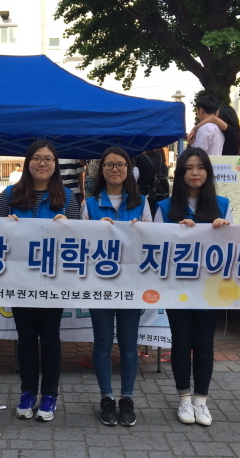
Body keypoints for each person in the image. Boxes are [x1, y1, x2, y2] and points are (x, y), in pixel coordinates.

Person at [0, 140, 80, 422]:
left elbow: (77, 239)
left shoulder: (67, 198)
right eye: (37, 158)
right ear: (27, 162)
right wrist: (6, 226)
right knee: (26, 339)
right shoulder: (9, 195)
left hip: (53, 281)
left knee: (51, 338)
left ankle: (50, 395)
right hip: (20, 280)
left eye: (48, 159)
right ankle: (28, 392)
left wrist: (67, 227)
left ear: (55, 165)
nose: (42, 163)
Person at [154, 147, 233, 427]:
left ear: (208, 172)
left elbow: (234, 247)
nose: (194, 173)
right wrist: (176, 233)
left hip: (210, 289)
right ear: (180, 173)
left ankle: (201, 401)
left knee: (204, 344)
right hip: (177, 287)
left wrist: (225, 229)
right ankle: (184, 399)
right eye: (188, 168)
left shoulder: (222, 205)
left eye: (200, 167)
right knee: (181, 341)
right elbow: (156, 248)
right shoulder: (165, 207)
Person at [80, 146, 151, 426]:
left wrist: (140, 230)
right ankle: (107, 398)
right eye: (109, 164)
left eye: (120, 164)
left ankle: (127, 398)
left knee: (129, 343)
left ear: (129, 169)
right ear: (101, 170)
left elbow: (154, 241)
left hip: (132, 285)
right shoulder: (90, 204)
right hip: (100, 286)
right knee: (103, 342)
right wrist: (95, 231)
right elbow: (80, 245)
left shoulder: (142, 202)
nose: (115, 169)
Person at [135, 149, 169, 215]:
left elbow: (136, 175)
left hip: (146, 191)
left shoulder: (140, 158)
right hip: (160, 191)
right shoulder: (160, 156)